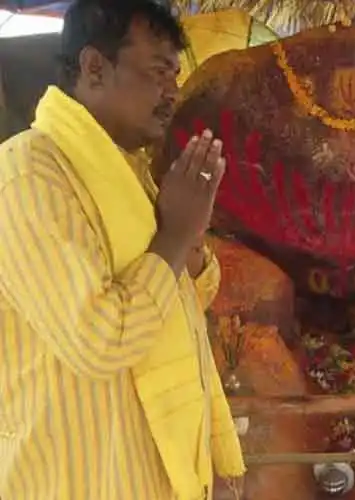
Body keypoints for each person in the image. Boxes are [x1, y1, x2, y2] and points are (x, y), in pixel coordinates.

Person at [0, 1, 246, 499]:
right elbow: (100, 339)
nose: (172, 93)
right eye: (158, 71)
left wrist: (191, 235)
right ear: (95, 67)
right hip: (78, 481)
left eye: (175, 75)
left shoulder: (130, 174)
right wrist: (175, 234)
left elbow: (182, 305)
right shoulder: (27, 175)